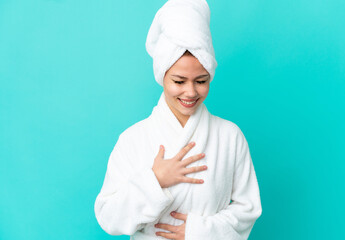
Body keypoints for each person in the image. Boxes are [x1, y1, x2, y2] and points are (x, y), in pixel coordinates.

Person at [94, 0, 262, 240]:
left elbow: (249, 208)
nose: (191, 92)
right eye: (179, 81)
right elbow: (108, 218)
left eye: (201, 81)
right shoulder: (133, 139)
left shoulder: (229, 136)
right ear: (162, 77)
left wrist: (200, 232)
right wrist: (154, 180)